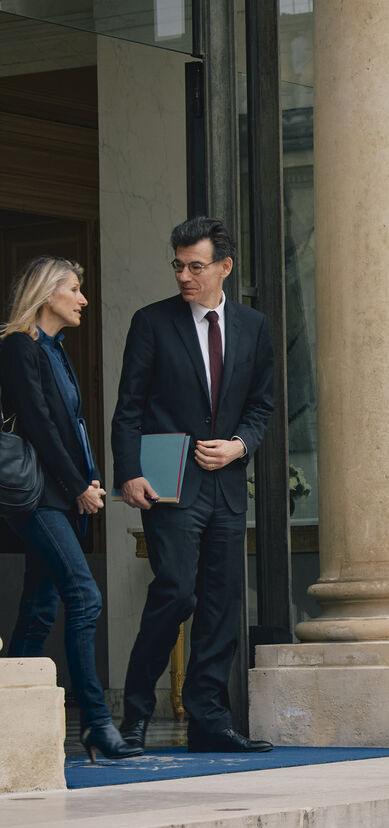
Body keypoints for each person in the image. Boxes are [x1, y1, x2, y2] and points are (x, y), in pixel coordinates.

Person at [112, 217, 275, 754]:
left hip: (226, 486)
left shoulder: (253, 326)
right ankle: (135, 715)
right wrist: (129, 471)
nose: (184, 275)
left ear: (224, 267)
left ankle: (209, 722)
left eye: (195, 266)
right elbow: (129, 408)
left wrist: (239, 445)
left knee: (222, 604)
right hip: (170, 486)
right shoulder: (151, 322)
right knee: (176, 591)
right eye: (178, 265)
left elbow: (261, 406)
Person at [0, 256, 140, 762]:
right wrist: (77, 484)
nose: (83, 299)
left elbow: (69, 425)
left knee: (38, 609)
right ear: (46, 293)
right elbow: (38, 425)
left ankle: (9, 717)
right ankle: (98, 723)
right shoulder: (19, 347)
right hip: (40, 497)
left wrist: (90, 478)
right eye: (75, 289)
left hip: (62, 495)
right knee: (84, 595)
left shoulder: (56, 351)